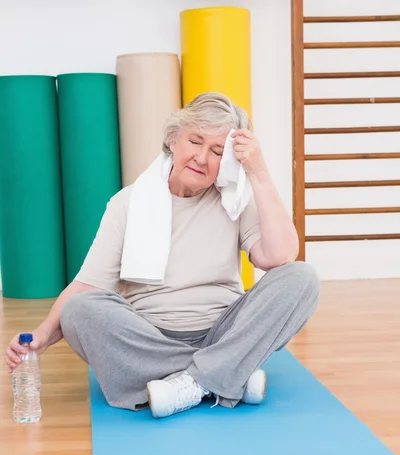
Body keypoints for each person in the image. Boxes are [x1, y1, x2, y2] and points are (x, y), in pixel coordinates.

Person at [5, 92, 319, 419]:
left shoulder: (235, 200)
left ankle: (193, 380)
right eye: (195, 141)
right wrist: (40, 338)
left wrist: (259, 173)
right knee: (79, 310)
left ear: (227, 162)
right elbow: (86, 287)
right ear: (173, 139)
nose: (201, 158)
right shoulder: (127, 203)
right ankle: (228, 374)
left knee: (303, 278)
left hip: (223, 332)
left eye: (216, 151)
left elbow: (281, 255)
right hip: (148, 338)